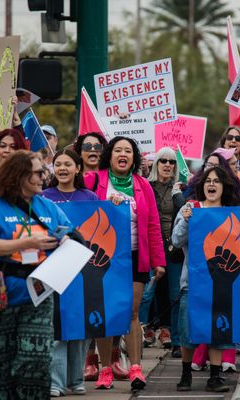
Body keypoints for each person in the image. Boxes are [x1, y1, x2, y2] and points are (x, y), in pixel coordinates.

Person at [0, 150, 75, 398]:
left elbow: (70, 235)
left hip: (37, 296)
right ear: (19, 175)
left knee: (37, 363)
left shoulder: (47, 207)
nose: (44, 177)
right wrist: (25, 243)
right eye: (38, 173)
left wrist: (67, 244)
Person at [84, 136, 165, 391]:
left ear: (134, 157)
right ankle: (105, 369)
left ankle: (136, 369)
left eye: (128, 151)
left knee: (132, 312)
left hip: (134, 255)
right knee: (106, 313)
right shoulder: (94, 181)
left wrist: (158, 261)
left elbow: (153, 225)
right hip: (103, 257)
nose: (123, 154)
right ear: (109, 155)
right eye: (118, 149)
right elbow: (81, 211)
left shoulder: (143, 185)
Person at [172, 166, 240, 393]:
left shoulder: (230, 214)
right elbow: (176, 240)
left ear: (224, 187)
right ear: (202, 186)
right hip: (192, 284)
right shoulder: (191, 208)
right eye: (208, 181)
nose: (211, 184)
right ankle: (185, 375)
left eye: (216, 181)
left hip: (221, 285)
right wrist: (185, 220)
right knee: (188, 332)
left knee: (217, 332)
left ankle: (215, 377)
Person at [42, 149, 98, 397]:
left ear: (78, 168)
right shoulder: (43, 198)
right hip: (51, 269)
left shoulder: (90, 197)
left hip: (82, 271)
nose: (62, 168)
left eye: (67, 164)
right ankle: (55, 382)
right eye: (58, 164)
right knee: (56, 327)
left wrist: (115, 205)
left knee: (79, 328)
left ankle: (76, 380)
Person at [143, 147, 185, 358]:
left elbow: (187, 214)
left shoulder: (180, 189)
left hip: (174, 249)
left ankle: (177, 341)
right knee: (145, 295)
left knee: (175, 295)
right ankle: (139, 336)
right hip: (151, 247)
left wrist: (178, 195)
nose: (168, 165)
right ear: (156, 164)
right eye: (163, 161)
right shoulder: (145, 187)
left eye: (172, 162)